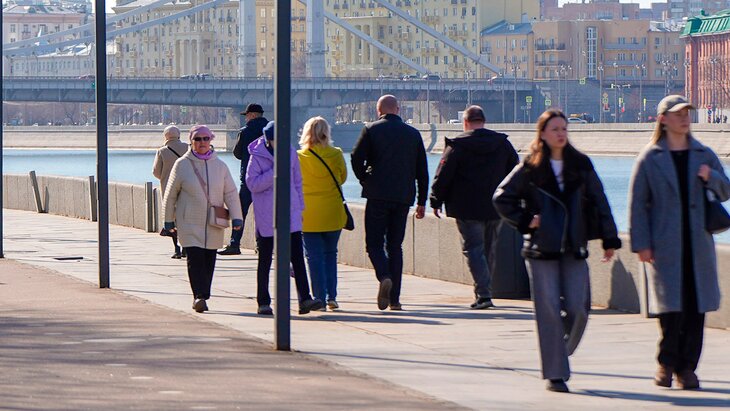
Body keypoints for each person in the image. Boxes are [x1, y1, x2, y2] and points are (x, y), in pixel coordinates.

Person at [493, 109, 621, 393]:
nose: (561, 133)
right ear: (542, 133)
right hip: (542, 248)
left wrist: (610, 239)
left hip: (574, 246)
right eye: (555, 129)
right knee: (548, 310)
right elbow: (501, 198)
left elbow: (600, 201)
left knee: (579, 308)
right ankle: (555, 374)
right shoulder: (530, 167)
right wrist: (527, 220)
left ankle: (559, 351)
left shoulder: (581, 164)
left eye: (564, 128)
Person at [628, 95, 730, 390]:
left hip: (698, 246)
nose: (685, 118)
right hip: (665, 246)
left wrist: (711, 176)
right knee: (671, 309)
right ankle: (666, 364)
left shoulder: (703, 154)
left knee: (696, 309)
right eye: (678, 114)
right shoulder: (650, 158)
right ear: (663, 119)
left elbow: (726, 191)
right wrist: (642, 244)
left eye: (687, 113)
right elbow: (637, 204)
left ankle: (687, 369)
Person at [430, 105, 518, 310]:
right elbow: (516, 172)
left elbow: (443, 175)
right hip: (495, 206)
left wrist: (435, 200)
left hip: (466, 207)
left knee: (474, 249)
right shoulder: (502, 144)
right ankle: (485, 291)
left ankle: (484, 294)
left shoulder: (457, 146)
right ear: (484, 121)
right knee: (489, 249)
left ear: (465, 122)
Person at [351, 94, 429, 311]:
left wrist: (364, 178)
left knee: (374, 244)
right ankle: (395, 300)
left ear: (379, 111)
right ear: (398, 109)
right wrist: (422, 201)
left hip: (377, 195)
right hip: (403, 197)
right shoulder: (413, 134)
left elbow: (356, 158)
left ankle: (384, 275)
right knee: (395, 246)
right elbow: (422, 171)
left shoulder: (371, 130)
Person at [162, 125, 243, 313]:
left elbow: (231, 193)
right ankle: (199, 296)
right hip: (189, 221)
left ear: (211, 140)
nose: (202, 143)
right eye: (197, 139)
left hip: (213, 223)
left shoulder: (220, 166)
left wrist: (237, 217)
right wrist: (168, 220)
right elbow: (170, 194)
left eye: (206, 139)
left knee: (209, 260)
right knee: (194, 258)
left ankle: (204, 293)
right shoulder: (182, 165)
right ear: (191, 142)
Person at [247, 121, 323, 315]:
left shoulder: (290, 152)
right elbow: (252, 184)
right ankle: (263, 302)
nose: (278, 144)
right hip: (267, 216)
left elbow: (297, 181)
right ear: (268, 140)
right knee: (265, 260)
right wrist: (274, 172)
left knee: (297, 258)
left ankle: (305, 299)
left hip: (290, 213)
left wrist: (300, 208)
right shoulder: (256, 156)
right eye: (275, 140)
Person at [298, 116, 347, 311]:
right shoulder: (336, 153)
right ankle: (331, 296)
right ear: (327, 132)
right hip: (333, 212)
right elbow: (342, 178)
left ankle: (319, 297)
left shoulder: (300, 157)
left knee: (314, 257)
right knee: (330, 254)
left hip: (308, 214)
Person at [218, 103, 269, 256]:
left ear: (252, 115)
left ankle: (235, 244)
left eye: (246, 115)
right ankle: (262, 245)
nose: (245, 118)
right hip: (267, 178)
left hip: (248, 178)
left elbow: (237, 153)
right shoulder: (271, 131)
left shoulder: (245, 132)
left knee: (240, 211)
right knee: (264, 212)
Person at [152, 125, 189, 259]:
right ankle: (186, 248)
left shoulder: (162, 151)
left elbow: (156, 172)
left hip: (169, 188)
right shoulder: (187, 148)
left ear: (165, 136)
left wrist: (165, 177)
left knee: (171, 218)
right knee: (184, 217)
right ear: (178, 135)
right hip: (186, 187)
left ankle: (176, 249)